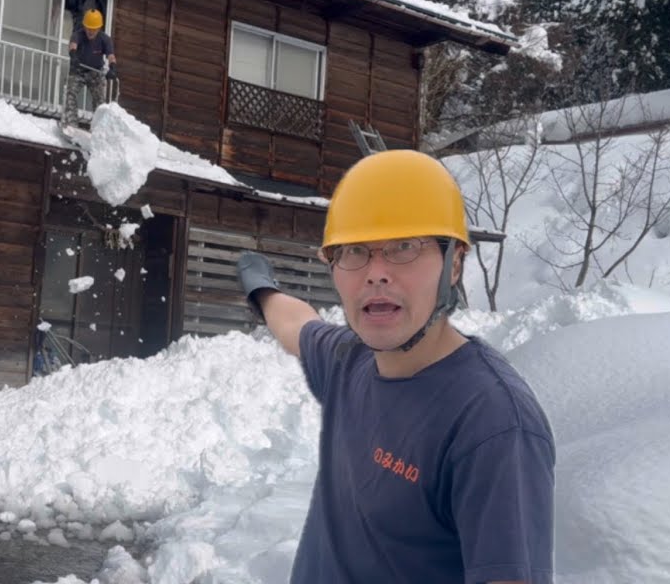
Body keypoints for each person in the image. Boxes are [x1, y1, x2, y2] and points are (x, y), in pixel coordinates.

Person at [235, 149, 555, 584]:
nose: (375, 273)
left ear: (455, 262)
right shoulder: (350, 362)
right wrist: (261, 290)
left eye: (404, 247)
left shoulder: (491, 424)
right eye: (353, 251)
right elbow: (298, 324)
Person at [66, 8, 118, 116]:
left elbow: (111, 55)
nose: (90, 32)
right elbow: (72, 46)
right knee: (70, 93)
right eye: (88, 28)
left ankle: (98, 127)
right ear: (84, 26)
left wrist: (112, 68)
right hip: (78, 70)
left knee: (100, 100)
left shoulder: (105, 39)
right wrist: (74, 56)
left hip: (95, 72)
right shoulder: (78, 35)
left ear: (99, 28)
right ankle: (70, 122)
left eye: (94, 29)